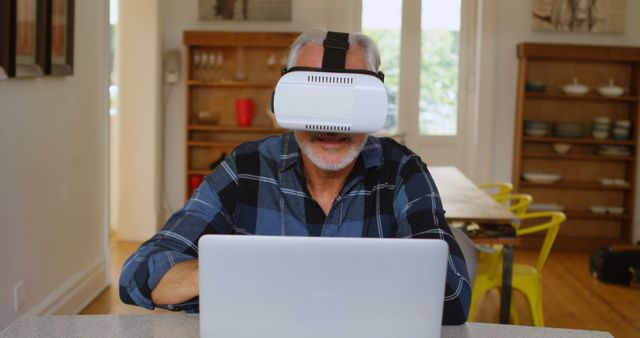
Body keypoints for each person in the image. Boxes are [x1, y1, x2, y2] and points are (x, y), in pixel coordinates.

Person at [119, 28, 471, 325]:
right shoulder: (247, 168)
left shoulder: (401, 170)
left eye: (350, 100)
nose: (331, 125)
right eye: (313, 99)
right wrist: (228, 271)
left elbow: (453, 295)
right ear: (283, 98)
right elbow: (139, 274)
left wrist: (287, 285)